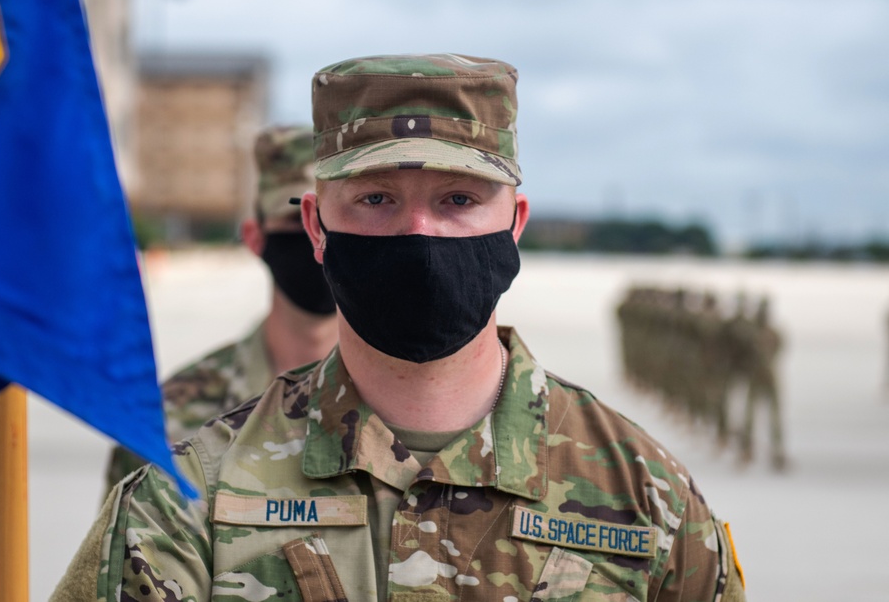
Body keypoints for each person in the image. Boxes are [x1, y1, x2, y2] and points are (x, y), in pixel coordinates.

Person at [53, 54, 746, 602]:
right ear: (318, 227)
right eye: (377, 199)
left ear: (516, 223)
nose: (418, 233)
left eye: (459, 199)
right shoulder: (189, 501)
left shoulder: (647, 499)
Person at [101, 125, 339, 495]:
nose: (316, 235)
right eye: (297, 220)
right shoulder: (170, 416)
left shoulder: (414, 404)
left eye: (331, 219)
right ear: (254, 238)